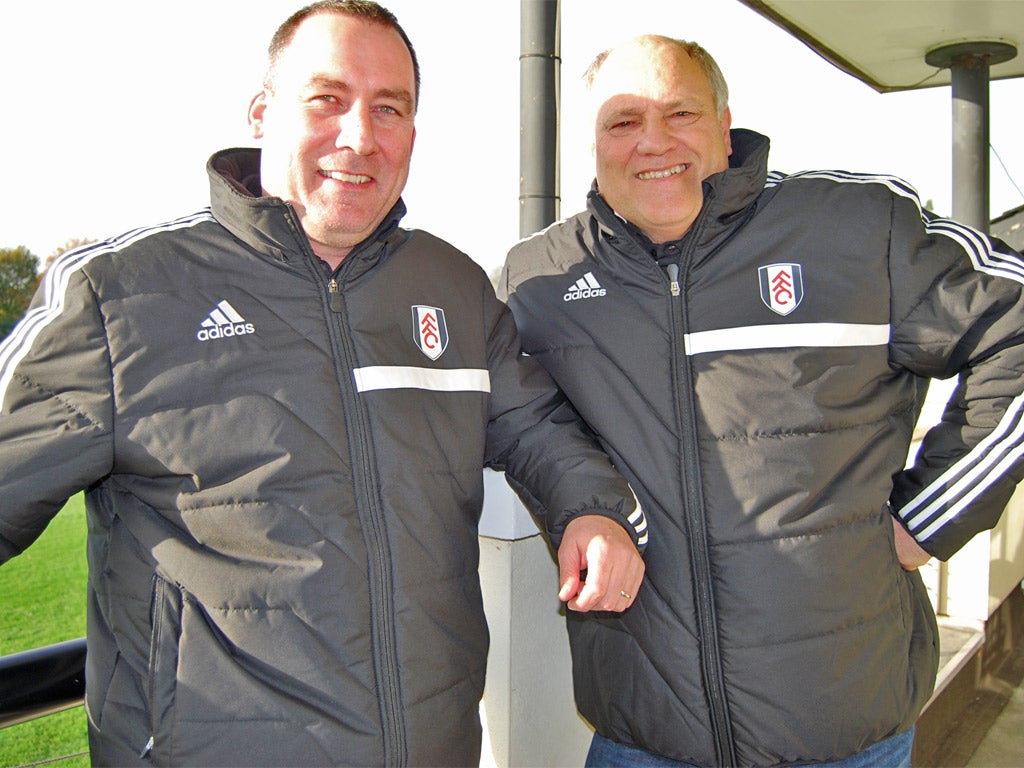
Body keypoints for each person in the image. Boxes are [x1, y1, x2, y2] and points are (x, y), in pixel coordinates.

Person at [0, 3, 648, 765]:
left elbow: (537, 427)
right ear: (262, 112)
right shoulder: (120, 294)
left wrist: (592, 511)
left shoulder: (453, 287)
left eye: (388, 108)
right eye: (327, 99)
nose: (359, 136)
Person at [500, 33, 1024, 768]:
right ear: (592, 142)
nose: (653, 141)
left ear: (724, 122)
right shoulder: (540, 279)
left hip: (845, 734)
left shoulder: (853, 228)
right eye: (623, 122)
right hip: (644, 738)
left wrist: (932, 514)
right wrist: (584, 504)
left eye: (679, 112)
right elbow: (510, 413)